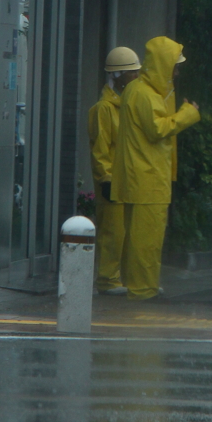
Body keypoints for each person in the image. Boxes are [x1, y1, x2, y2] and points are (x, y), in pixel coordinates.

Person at [110, 36, 200, 300]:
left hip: (143, 178)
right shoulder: (146, 94)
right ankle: (142, 289)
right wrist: (188, 113)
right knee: (146, 240)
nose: (177, 71)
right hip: (147, 178)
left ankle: (140, 284)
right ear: (163, 65)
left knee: (140, 238)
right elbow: (158, 129)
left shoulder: (139, 90)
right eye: (174, 65)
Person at [88, 46, 141, 295]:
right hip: (112, 181)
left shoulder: (125, 105)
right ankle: (107, 280)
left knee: (129, 233)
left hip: (130, 180)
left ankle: (124, 279)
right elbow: (100, 149)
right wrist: (105, 178)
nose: (136, 77)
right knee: (113, 232)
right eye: (131, 73)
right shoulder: (104, 109)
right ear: (117, 75)